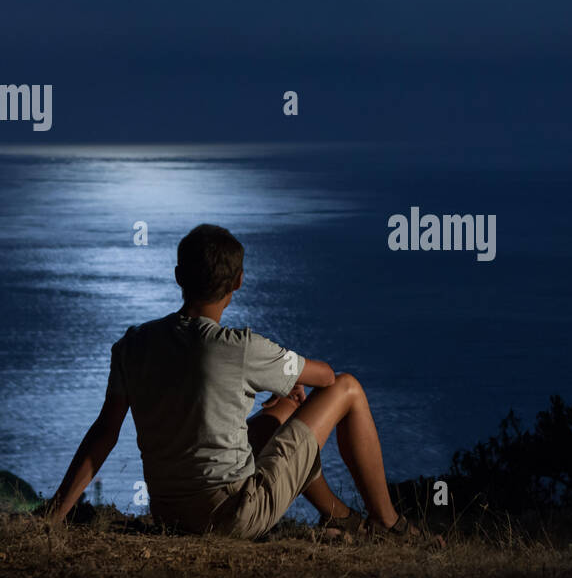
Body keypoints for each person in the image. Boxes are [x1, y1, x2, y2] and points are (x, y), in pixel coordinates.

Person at [40, 223, 435, 544]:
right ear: (239, 282)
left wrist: (54, 514)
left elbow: (103, 434)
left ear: (179, 276)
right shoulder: (240, 348)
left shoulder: (132, 344)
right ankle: (388, 522)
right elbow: (327, 377)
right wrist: (282, 377)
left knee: (275, 418)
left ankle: (345, 520)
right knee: (348, 388)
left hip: (168, 513)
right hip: (234, 516)